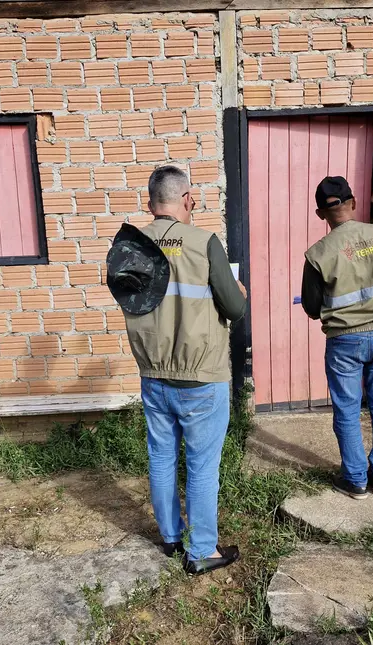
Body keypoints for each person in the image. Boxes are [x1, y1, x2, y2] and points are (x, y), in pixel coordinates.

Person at [106, 165, 247, 576]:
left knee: (162, 456)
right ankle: (202, 551)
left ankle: (169, 536)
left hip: (153, 373)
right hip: (201, 376)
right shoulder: (204, 243)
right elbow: (235, 309)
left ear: (150, 203)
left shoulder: (128, 247)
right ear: (189, 199)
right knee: (202, 465)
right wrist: (238, 293)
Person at [300, 176, 373, 499]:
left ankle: (356, 479)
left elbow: (310, 306)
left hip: (345, 341)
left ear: (321, 214)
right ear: (354, 203)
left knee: (347, 409)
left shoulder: (318, 254)